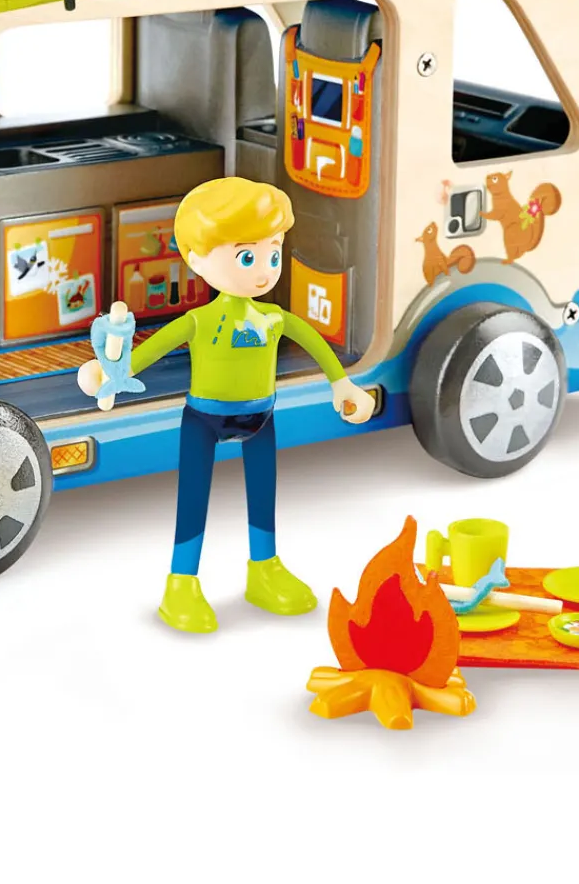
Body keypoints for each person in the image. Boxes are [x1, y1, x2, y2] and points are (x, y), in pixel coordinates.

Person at [78, 177, 375, 632]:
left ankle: (265, 569)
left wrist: (342, 385)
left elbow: (316, 344)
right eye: (246, 256)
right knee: (193, 499)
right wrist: (112, 374)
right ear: (196, 259)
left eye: (273, 254)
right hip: (204, 418)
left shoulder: (273, 317)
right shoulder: (199, 320)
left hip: (262, 415)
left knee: (264, 495)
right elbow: (149, 352)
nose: (264, 271)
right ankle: (181, 583)